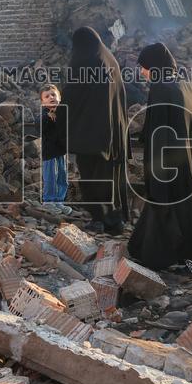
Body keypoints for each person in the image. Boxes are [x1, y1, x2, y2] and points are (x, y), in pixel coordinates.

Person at [127, 43, 192, 274]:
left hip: (172, 165)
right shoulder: (186, 84)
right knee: (169, 212)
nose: (142, 73)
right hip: (191, 160)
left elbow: (159, 133)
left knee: (181, 215)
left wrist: (156, 171)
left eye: (144, 67)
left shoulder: (162, 89)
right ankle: (146, 252)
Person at [62, 27, 131, 235]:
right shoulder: (109, 59)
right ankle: (114, 219)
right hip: (113, 130)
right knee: (109, 174)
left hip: (90, 132)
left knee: (91, 176)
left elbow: (71, 96)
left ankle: (100, 219)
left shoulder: (84, 60)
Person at [39, 84, 72, 215]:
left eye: (53, 95)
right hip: (49, 152)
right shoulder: (44, 115)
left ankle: (59, 200)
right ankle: (48, 201)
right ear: (42, 103)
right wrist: (47, 116)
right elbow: (39, 125)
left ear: (59, 98)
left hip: (61, 151)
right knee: (51, 176)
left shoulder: (63, 112)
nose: (51, 97)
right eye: (47, 96)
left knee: (62, 176)